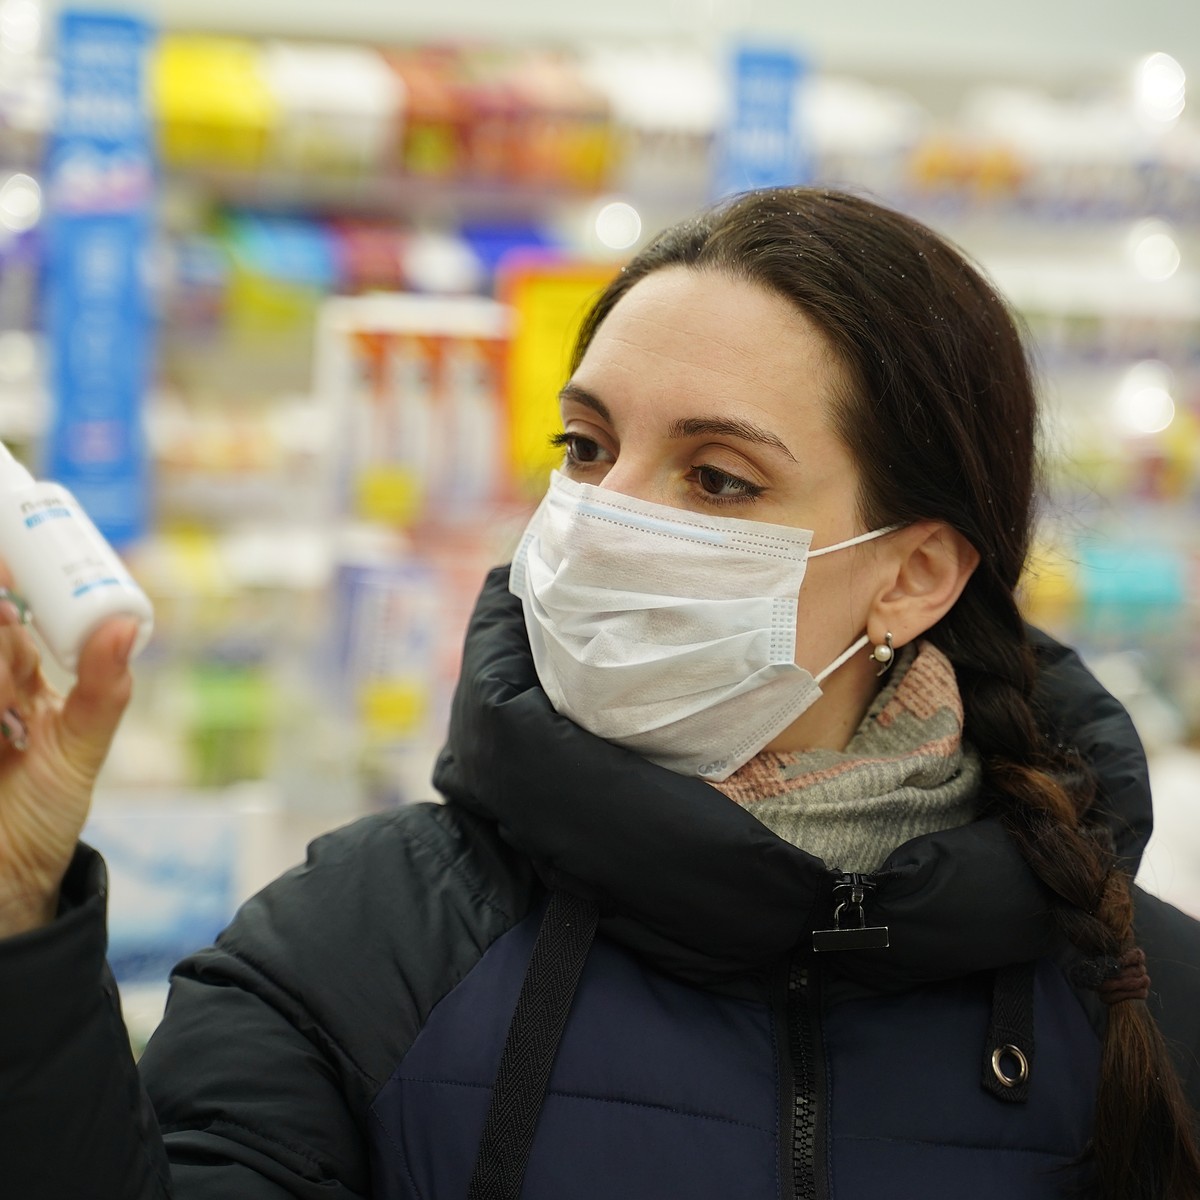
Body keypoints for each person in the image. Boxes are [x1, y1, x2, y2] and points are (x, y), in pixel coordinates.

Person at [3, 187, 1200, 1200]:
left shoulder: (1147, 998)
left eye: (717, 479)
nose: (604, 516)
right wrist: (17, 927)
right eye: (585, 447)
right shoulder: (358, 945)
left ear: (913, 575)